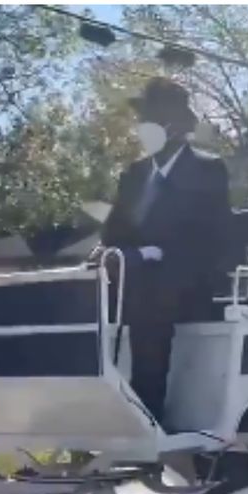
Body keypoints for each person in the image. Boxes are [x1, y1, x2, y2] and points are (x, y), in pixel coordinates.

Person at [103, 77, 231, 426]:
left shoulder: (208, 170)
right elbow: (113, 234)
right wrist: (120, 256)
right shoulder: (134, 175)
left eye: (152, 118)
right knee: (86, 298)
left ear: (172, 126)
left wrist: (154, 256)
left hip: (190, 282)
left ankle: (146, 418)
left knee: (149, 303)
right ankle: (91, 412)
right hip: (138, 281)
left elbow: (214, 239)